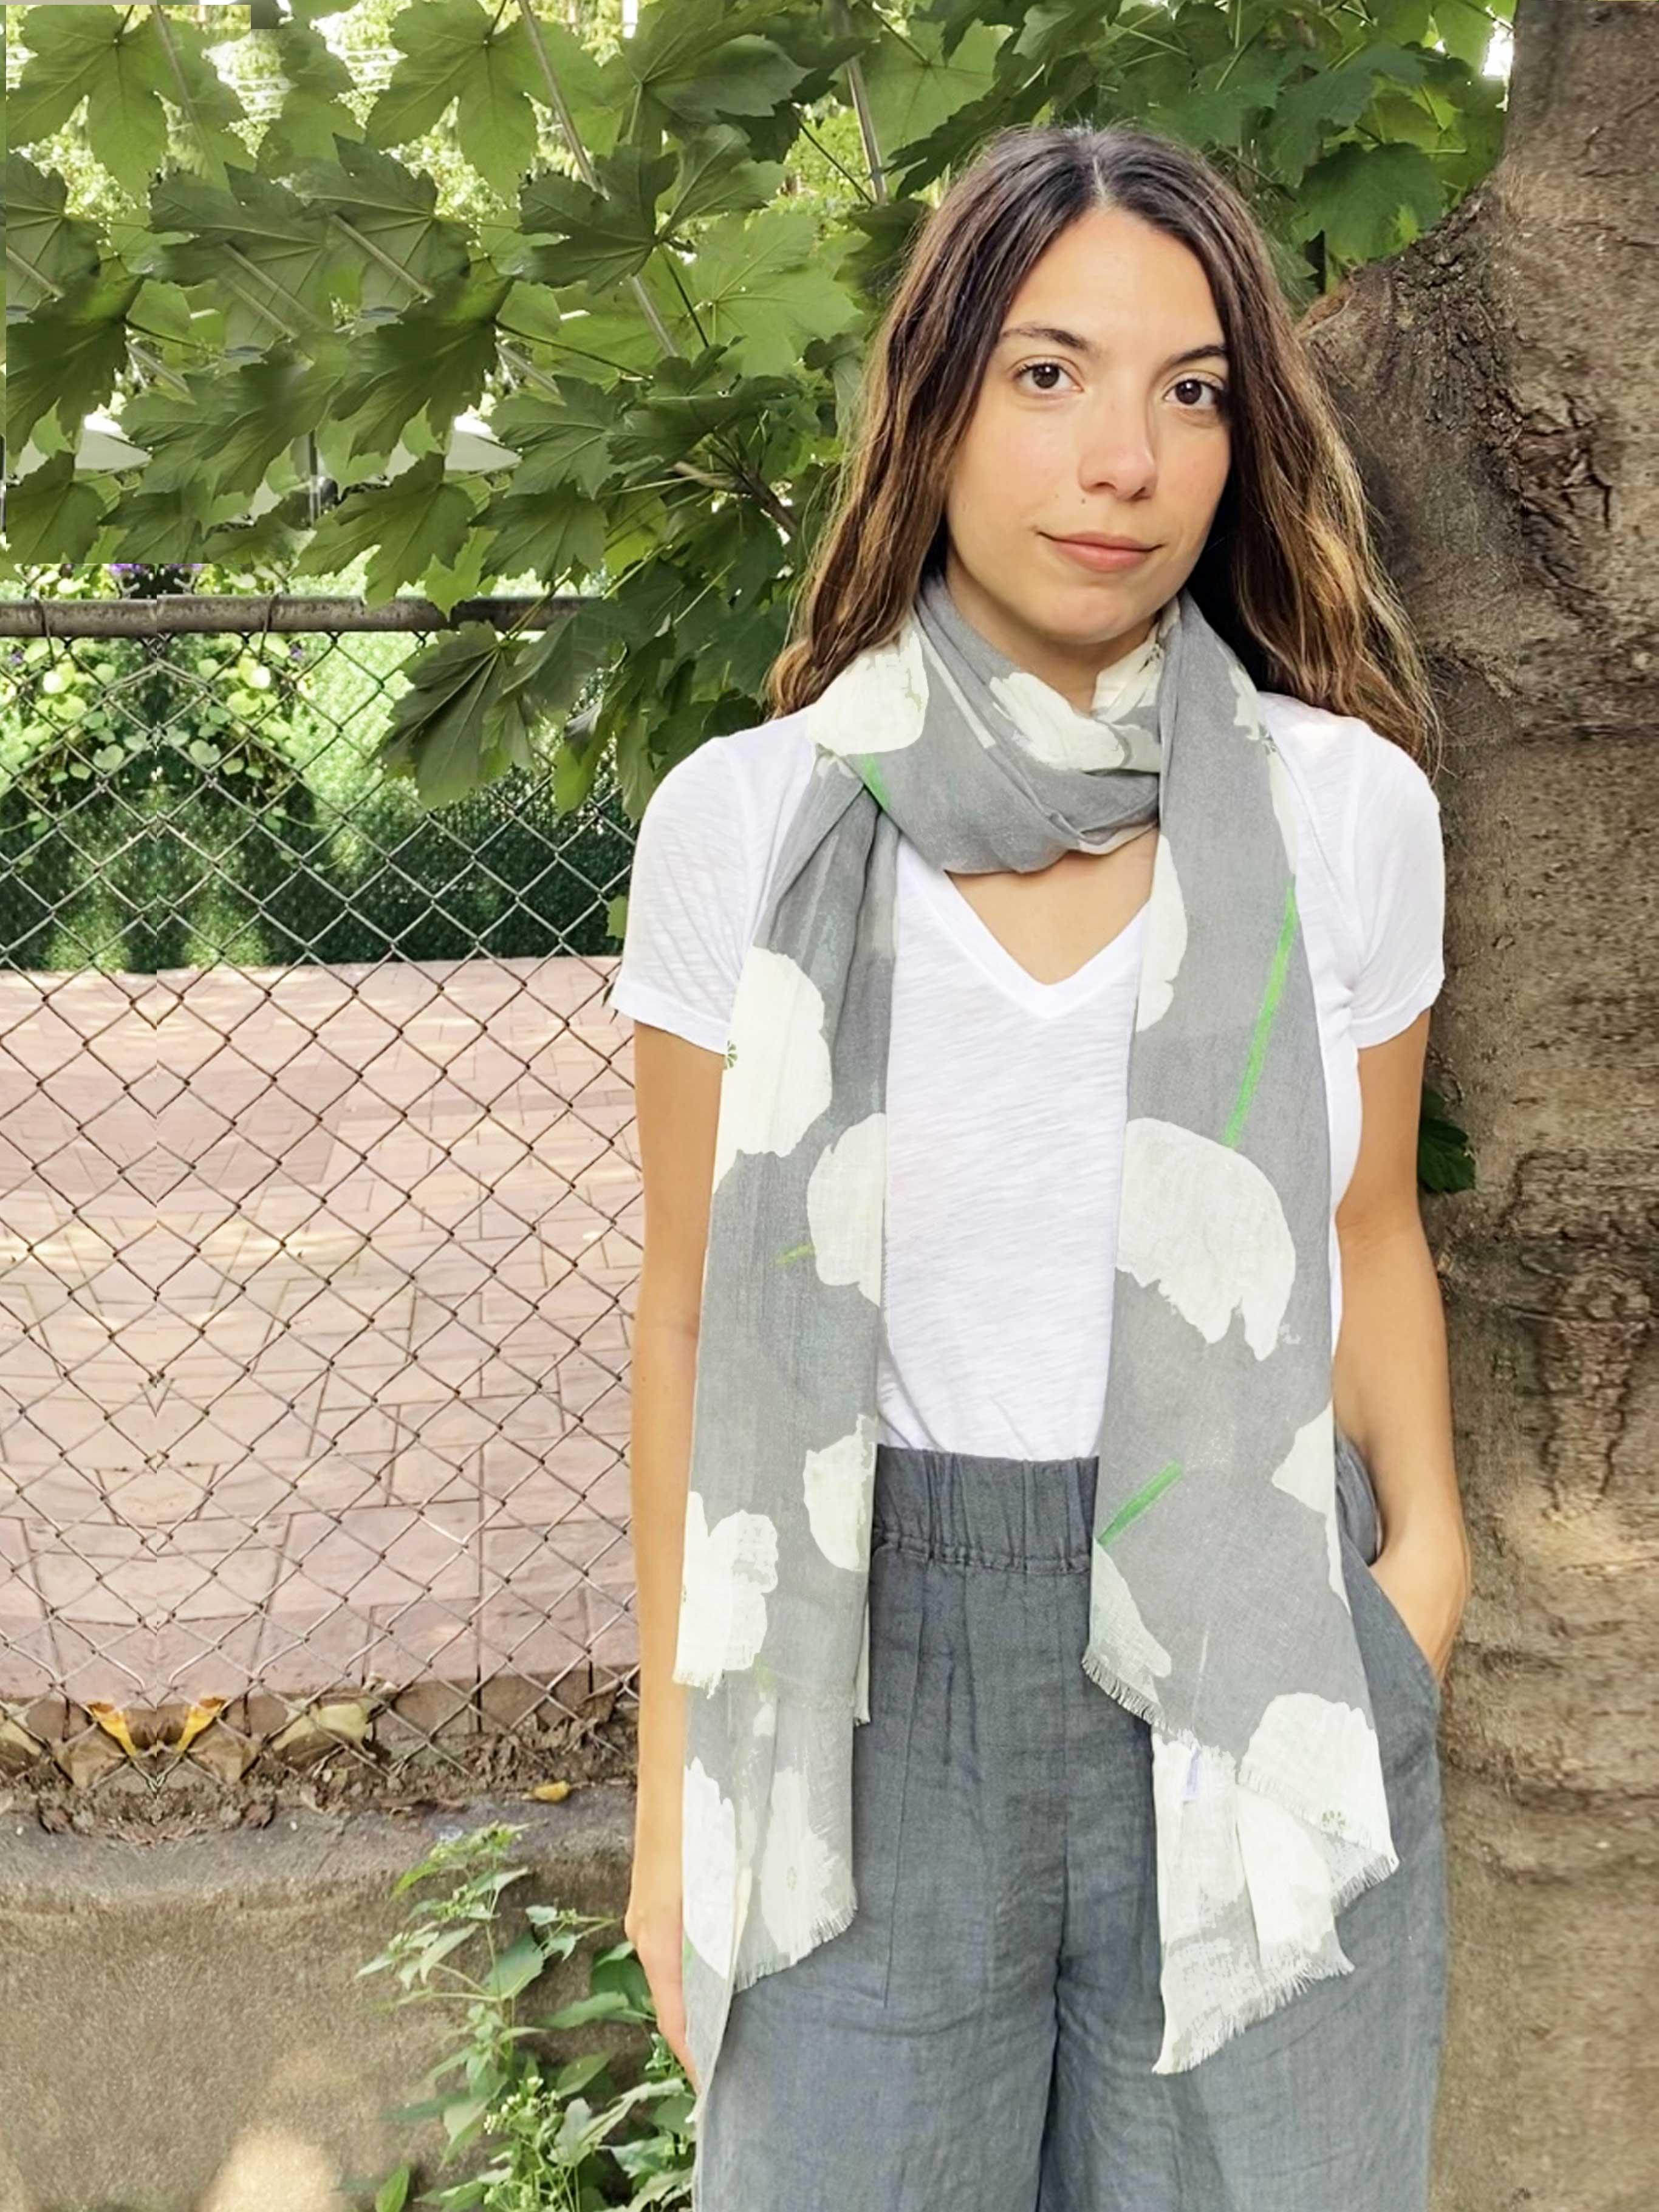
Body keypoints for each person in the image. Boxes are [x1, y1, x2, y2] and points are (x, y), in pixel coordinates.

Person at [611, 118, 1473, 2212]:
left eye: (1189, 392)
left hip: (1264, 1639)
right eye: (1048, 374)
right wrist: (671, 1793)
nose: (1127, 459)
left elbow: (1368, 1234)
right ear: (933, 406)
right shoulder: (753, 823)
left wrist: (1419, 1582)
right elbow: (689, 1306)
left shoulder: (1343, 810)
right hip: (855, 1685)